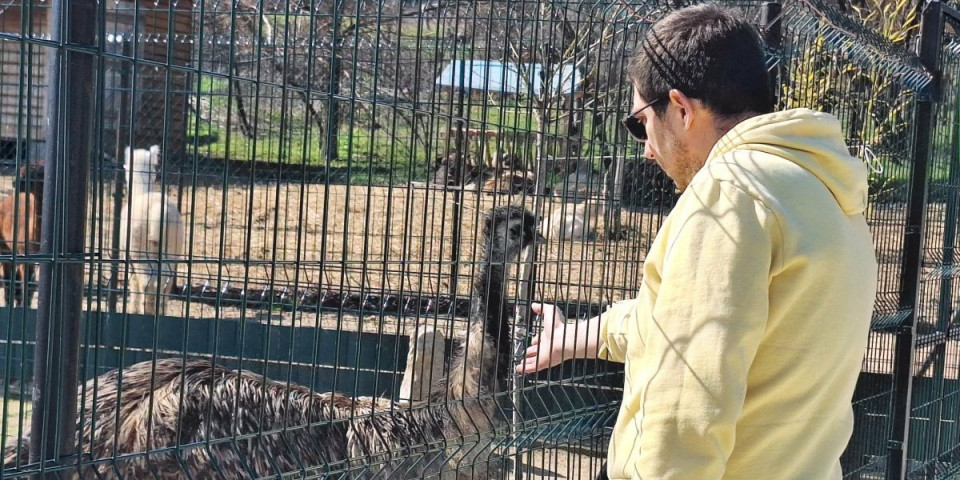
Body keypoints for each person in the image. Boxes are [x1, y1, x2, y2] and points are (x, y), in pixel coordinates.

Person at [515, 4, 878, 479]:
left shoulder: (728, 197)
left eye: (640, 122)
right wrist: (582, 335)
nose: (645, 148)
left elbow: (689, 406)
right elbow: (690, 321)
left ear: (682, 109)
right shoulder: (821, 189)